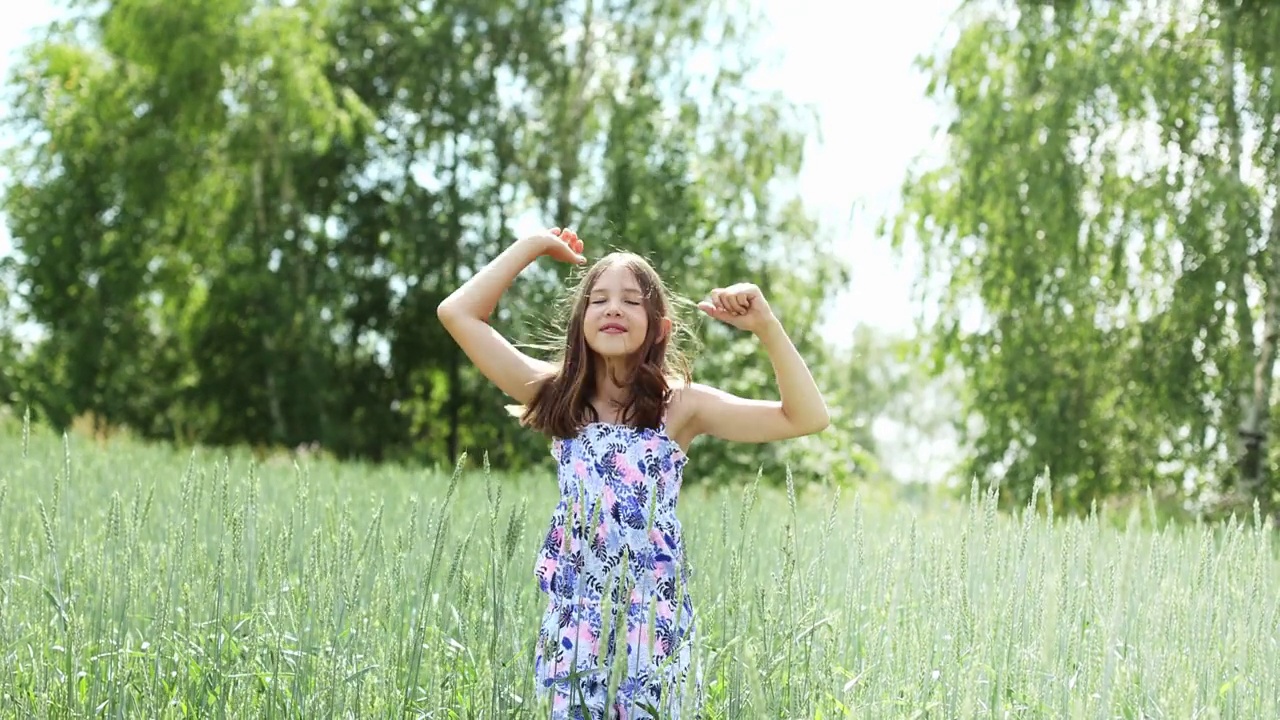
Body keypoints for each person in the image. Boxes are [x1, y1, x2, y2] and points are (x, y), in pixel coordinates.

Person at [436, 227, 830, 719]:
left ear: (659, 329)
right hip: (575, 620)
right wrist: (534, 245)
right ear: (582, 323)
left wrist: (767, 325)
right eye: (598, 299)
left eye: (630, 300)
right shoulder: (560, 398)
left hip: (654, 622)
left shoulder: (679, 406)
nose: (613, 308)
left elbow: (807, 417)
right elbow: (456, 313)